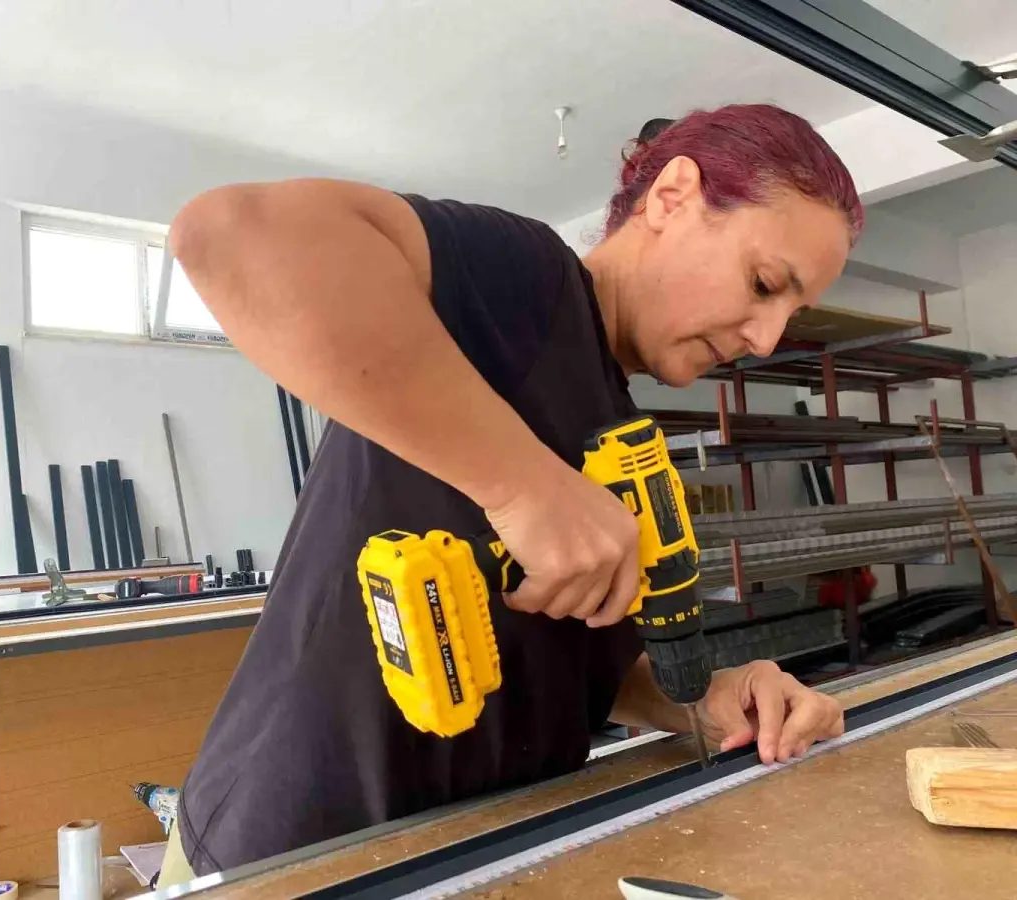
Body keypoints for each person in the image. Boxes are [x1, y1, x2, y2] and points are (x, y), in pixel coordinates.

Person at [158, 103, 861, 883]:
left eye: (790, 313)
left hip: (470, 856)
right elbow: (231, 234)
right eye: (764, 284)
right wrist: (522, 489)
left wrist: (706, 699)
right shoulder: (529, 286)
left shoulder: (618, 423)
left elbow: (578, 672)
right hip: (292, 856)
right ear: (672, 197)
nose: (765, 338)